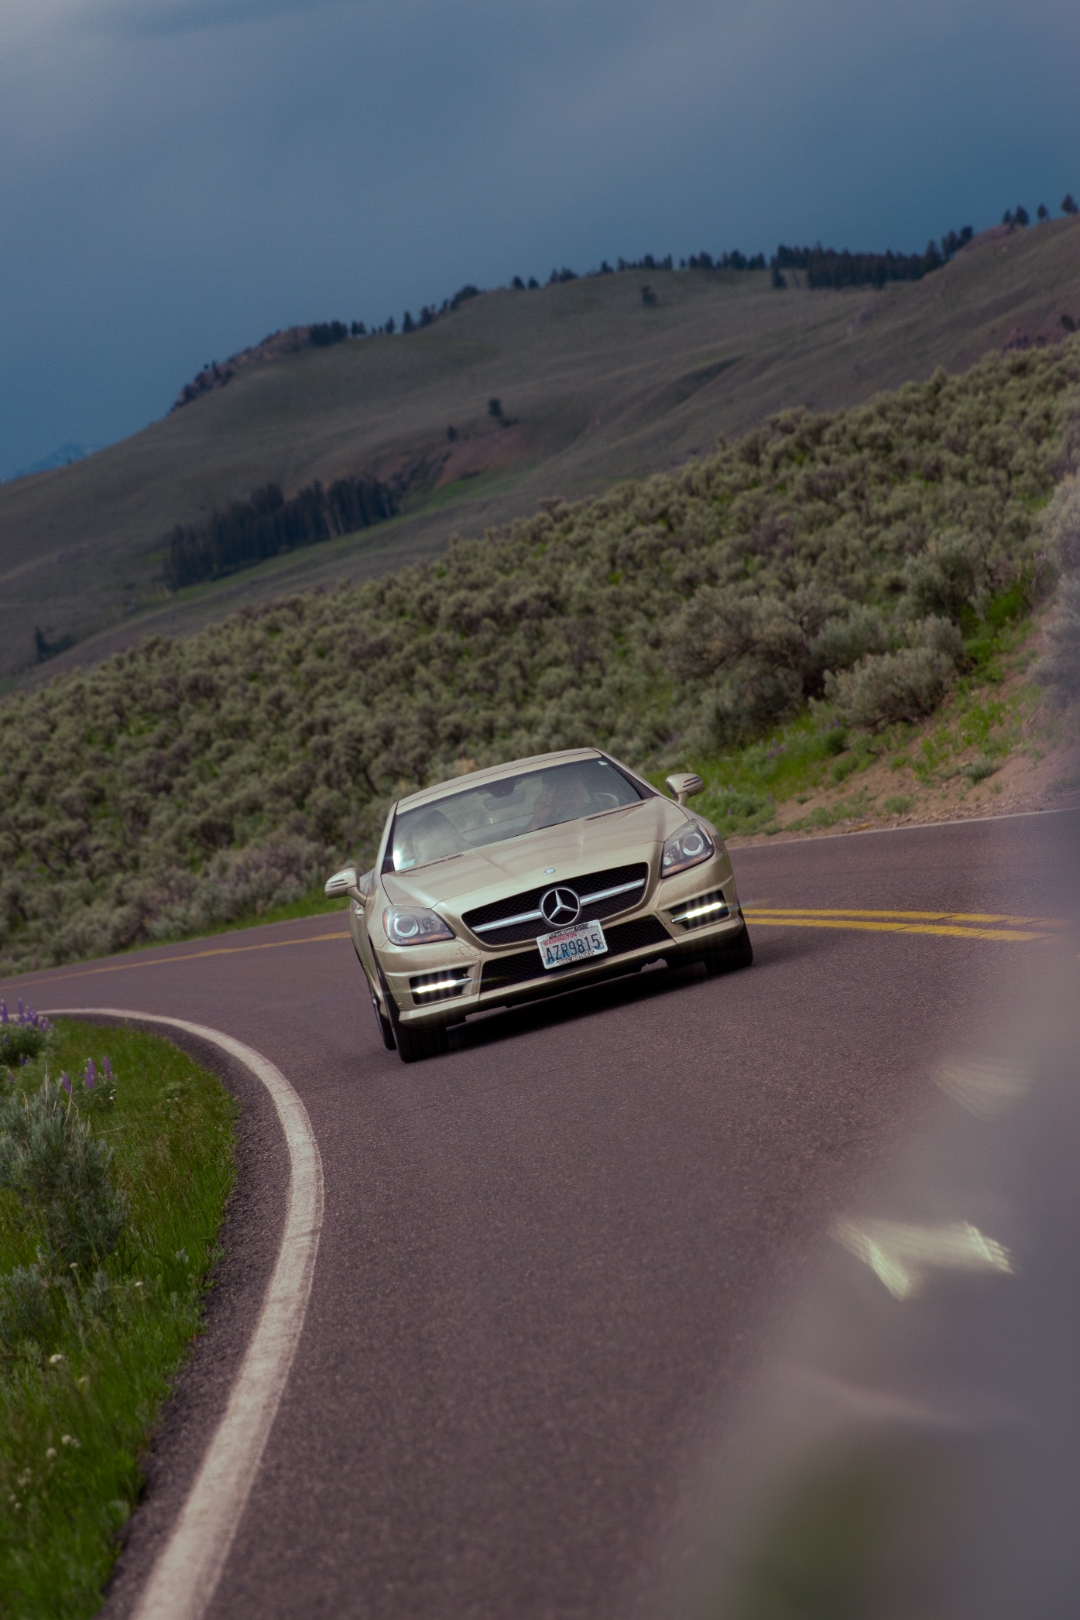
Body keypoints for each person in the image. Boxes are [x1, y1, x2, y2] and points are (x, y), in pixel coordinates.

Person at [526, 768, 593, 832]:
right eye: (560, 788)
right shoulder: (549, 822)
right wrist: (537, 820)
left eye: (572, 782)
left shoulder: (600, 806)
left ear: (581, 779)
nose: (570, 789)